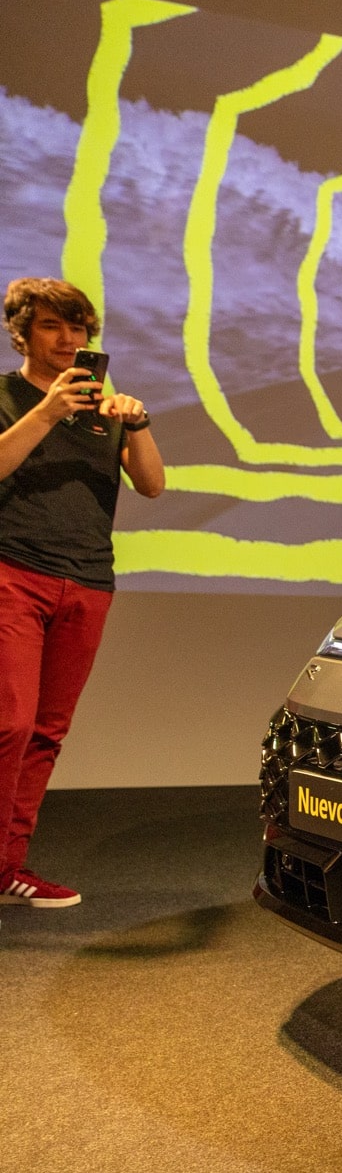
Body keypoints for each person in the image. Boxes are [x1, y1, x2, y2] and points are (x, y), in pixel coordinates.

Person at [0, 278, 163, 908]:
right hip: (13, 573)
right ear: (22, 334)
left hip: (88, 582)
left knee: (46, 731)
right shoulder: (9, 396)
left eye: (78, 329)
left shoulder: (104, 411)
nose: (68, 339)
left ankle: (7, 866)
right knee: (9, 724)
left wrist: (137, 423)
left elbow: (152, 484)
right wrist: (47, 412)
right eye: (51, 326)